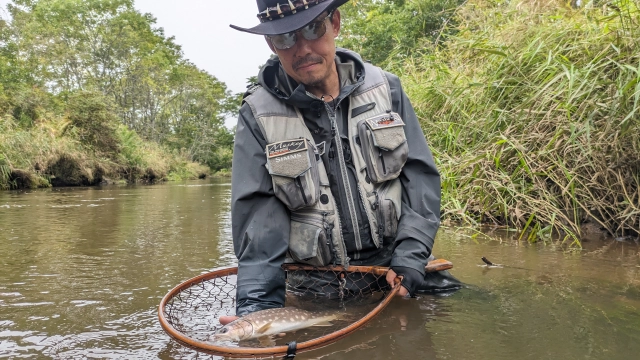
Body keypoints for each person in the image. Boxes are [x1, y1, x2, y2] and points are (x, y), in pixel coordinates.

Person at [222, 0, 461, 325]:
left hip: (399, 267)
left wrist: (411, 255)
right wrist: (257, 314)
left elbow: (419, 179)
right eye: (285, 38)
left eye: (312, 28)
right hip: (316, 288)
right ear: (271, 43)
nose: (302, 48)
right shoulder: (257, 116)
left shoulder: (386, 89)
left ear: (334, 22)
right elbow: (260, 227)